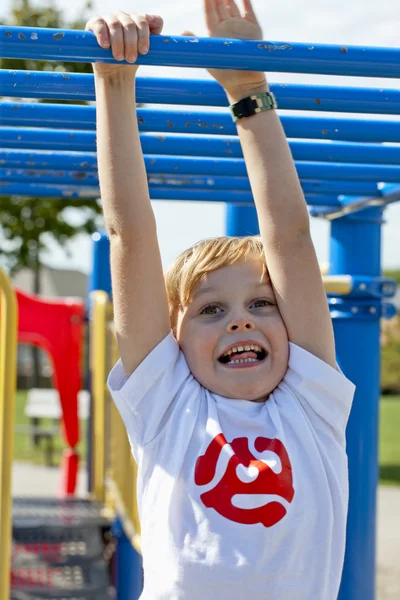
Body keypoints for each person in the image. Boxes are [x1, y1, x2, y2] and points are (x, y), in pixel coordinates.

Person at [86, 1, 355, 598]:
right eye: (210, 309)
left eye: (263, 304)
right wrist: (114, 81)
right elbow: (129, 230)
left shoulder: (312, 404)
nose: (240, 321)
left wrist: (249, 88)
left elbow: (288, 233)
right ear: (173, 340)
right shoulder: (166, 405)